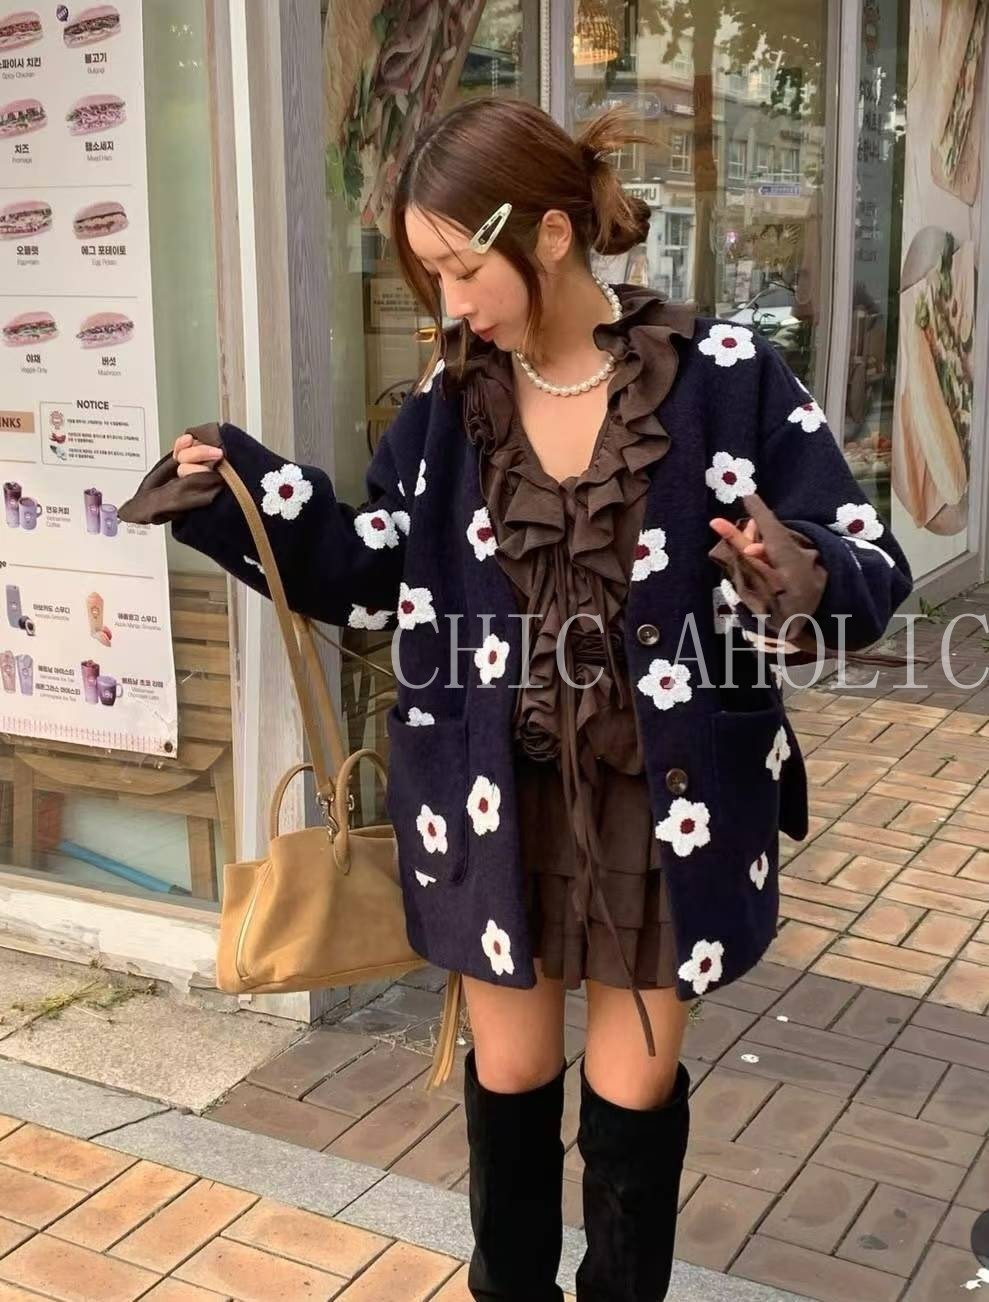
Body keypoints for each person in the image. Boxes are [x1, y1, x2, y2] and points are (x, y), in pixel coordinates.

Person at [120, 98, 913, 1302]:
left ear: (549, 234)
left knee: (632, 1093)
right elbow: (371, 567)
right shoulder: (449, 405)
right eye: (428, 275)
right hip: (489, 796)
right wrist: (239, 486)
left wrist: (789, 570)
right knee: (509, 1079)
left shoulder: (724, 376)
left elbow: (862, 557)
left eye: (458, 269)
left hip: (663, 800)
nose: (449, 305)